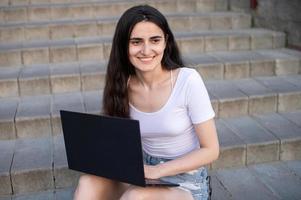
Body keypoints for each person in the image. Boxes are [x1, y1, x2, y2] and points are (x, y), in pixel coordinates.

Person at [74, 5, 219, 200]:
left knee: (136, 197)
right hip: (143, 172)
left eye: (155, 40)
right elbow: (118, 142)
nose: (146, 50)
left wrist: (157, 171)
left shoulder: (188, 80)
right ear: (123, 46)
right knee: (87, 183)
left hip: (186, 182)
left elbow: (211, 150)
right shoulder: (121, 85)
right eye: (136, 42)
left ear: (166, 42)